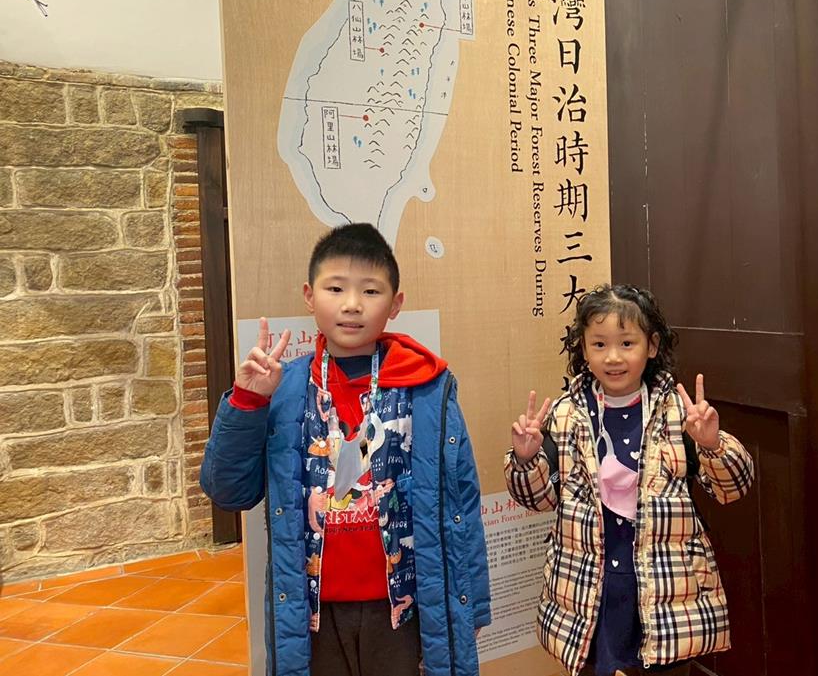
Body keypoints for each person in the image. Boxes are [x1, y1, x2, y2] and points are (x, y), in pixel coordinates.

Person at [201, 223, 490, 676]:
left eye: (370, 291)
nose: (352, 304)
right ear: (309, 296)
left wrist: (473, 604)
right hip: (313, 612)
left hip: (401, 610)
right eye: (335, 288)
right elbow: (228, 492)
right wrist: (248, 401)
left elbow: (463, 502)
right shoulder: (285, 388)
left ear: (395, 304)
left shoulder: (426, 388)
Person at [505, 284, 754, 676]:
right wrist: (525, 458)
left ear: (651, 346)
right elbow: (538, 499)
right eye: (599, 344)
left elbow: (734, 487)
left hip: (668, 591)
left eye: (627, 343)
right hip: (588, 593)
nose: (613, 357)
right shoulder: (566, 414)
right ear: (583, 349)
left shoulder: (678, 412)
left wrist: (711, 444)